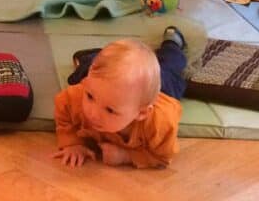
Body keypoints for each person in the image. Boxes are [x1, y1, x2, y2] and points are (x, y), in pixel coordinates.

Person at [53, 33, 186, 169]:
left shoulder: (160, 125)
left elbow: (162, 158)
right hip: (119, 86)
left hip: (164, 88)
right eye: (90, 97)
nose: (92, 113)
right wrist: (73, 143)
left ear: (141, 113)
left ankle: (172, 44)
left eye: (110, 110)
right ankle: (91, 58)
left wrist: (127, 156)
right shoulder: (80, 95)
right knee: (79, 75)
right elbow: (63, 106)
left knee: (169, 67)